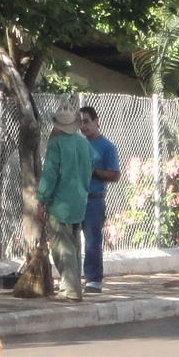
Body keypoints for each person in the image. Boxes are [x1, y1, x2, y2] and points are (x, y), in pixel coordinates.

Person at [37, 102, 94, 302]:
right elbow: (89, 169)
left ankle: (70, 289)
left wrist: (42, 199)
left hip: (60, 204)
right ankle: (73, 286)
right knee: (75, 245)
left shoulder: (56, 145)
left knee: (62, 247)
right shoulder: (84, 144)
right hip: (79, 200)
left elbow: (50, 175)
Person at [79, 106, 121, 293]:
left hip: (94, 200)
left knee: (92, 241)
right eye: (80, 123)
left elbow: (115, 175)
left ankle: (93, 280)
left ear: (96, 121)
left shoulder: (107, 147)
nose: (83, 126)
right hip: (74, 198)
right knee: (69, 241)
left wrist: (94, 171)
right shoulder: (78, 145)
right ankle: (70, 279)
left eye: (86, 121)